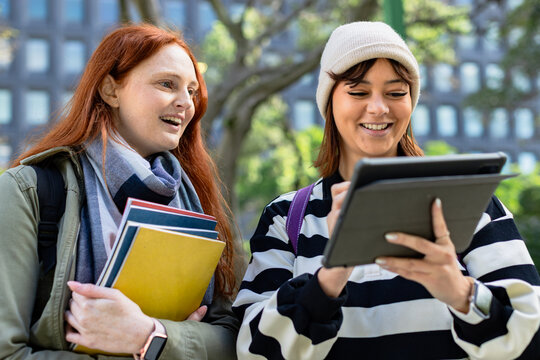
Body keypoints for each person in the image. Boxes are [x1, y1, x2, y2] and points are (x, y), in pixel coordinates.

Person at [233, 21, 540, 359]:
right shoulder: (286, 218)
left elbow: (532, 337)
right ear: (329, 102)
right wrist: (330, 277)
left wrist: (460, 292)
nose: (379, 108)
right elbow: (253, 350)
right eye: (359, 92)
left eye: (396, 93)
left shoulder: (472, 203)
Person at [0, 24, 238, 359]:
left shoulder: (194, 196)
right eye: (167, 84)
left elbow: (235, 341)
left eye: (192, 91)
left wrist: (149, 336)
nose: (186, 103)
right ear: (111, 90)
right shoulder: (28, 192)